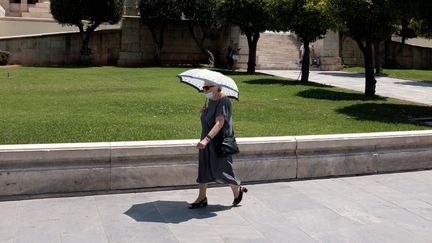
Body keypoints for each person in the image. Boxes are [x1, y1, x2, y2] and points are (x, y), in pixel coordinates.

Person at [189, 82, 247, 209]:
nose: (204, 90)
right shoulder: (210, 102)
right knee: (203, 168)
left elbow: (219, 123)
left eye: (207, 87)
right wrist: (202, 114)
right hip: (206, 141)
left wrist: (206, 140)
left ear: (217, 88)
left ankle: (238, 189)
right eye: (203, 87)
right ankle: (202, 198)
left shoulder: (223, 101)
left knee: (222, 170)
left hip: (218, 143)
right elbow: (207, 122)